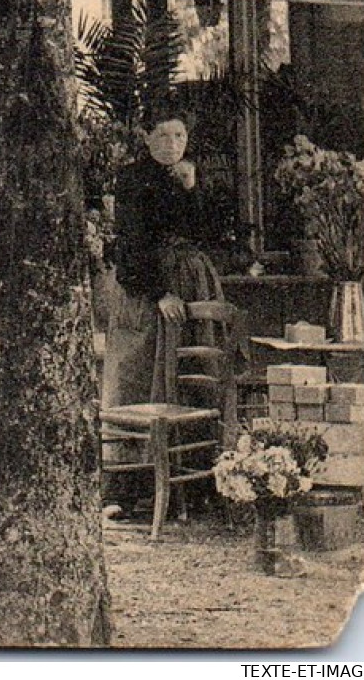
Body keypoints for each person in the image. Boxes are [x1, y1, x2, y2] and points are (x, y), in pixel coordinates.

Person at [102, 111, 224, 513]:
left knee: (189, 376)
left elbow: (209, 235)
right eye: (164, 135)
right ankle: (128, 488)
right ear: (148, 139)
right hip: (148, 292)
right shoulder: (134, 179)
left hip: (192, 287)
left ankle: (189, 485)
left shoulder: (189, 174)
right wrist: (159, 293)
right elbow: (130, 245)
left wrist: (192, 189)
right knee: (140, 376)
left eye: (180, 134)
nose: (172, 143)